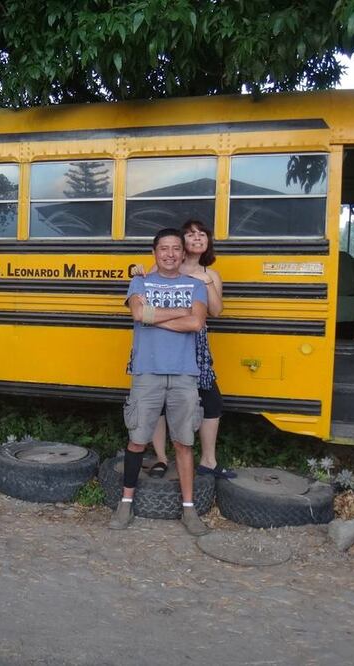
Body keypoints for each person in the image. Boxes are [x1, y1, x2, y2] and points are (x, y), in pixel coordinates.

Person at [110, 228, 209, 535]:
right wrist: (178, 311)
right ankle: (125, 502)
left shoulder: (196, 285)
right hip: (147, 372)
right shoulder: (140, 281)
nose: (169, 253)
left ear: (183, 253)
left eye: (175, 248)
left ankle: (189, 510)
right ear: (154, 253)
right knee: (137, 439)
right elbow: (139, 315)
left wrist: (158, 316)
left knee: (183, 442)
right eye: (163, 248)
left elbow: (197, 322)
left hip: (184, 373)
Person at [131, 220, 235, 481]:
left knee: (211, 400)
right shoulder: (166, 265)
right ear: (181, 243)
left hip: (194, 342)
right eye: (190, 234)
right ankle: (162, 458)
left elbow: (215, 311)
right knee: (159, 405)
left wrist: (205, 282)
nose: (197, 238)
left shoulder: (211, 275)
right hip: (160, 340)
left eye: (202, 234)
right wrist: (134, 269)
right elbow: (143, 285)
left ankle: (208, 461)